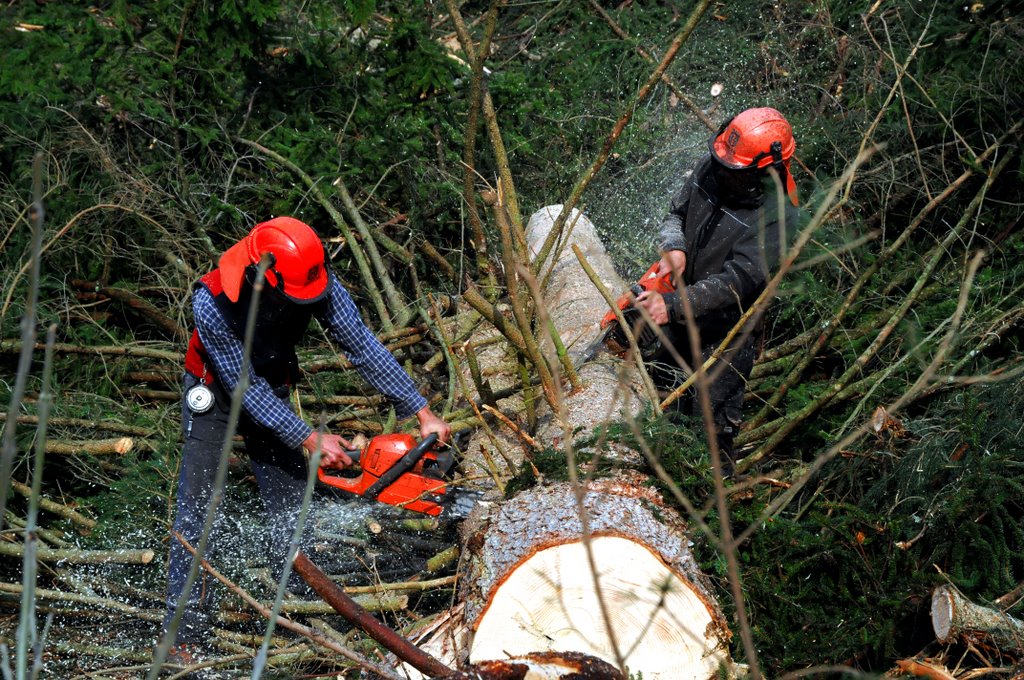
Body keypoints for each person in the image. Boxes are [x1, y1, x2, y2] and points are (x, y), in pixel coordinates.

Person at [159, 216, 450, 661]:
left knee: (293, 506)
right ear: (264, 273)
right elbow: (243, 388)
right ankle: (184, 637)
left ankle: (300, 613)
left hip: (270, 381)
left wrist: (420, 409)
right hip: (216, 392)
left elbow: (362, 345)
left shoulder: (313, 278)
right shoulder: (213, 302)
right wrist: (307, 436)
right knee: (200, 508)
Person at [636, 107, 799, 475]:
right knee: (659, 400)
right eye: (722, 165)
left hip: (727, 335)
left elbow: (737, 283)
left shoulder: (778, 216)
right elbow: (675, 213)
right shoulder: (718, 164)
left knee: (711, 435)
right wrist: (674, 247)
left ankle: (708, 516)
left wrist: (673, 304)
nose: (723, 175)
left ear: (765, 172)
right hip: (683, 309)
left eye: (734, 173)